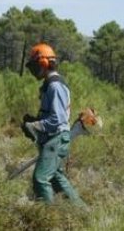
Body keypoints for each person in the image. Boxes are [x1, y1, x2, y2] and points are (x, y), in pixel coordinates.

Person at [22, 43, 86, 206]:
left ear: (43, 63)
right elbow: (51, 115)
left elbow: (57, 120)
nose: (34, 70)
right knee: (57, 178)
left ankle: (48, 218)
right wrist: (34, 120)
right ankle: (83, 213)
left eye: (35, 65)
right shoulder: (50, 84)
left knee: (40, 178)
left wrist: (34, 126)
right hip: (54, 139)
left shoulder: (55, 86)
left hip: (55, 139)